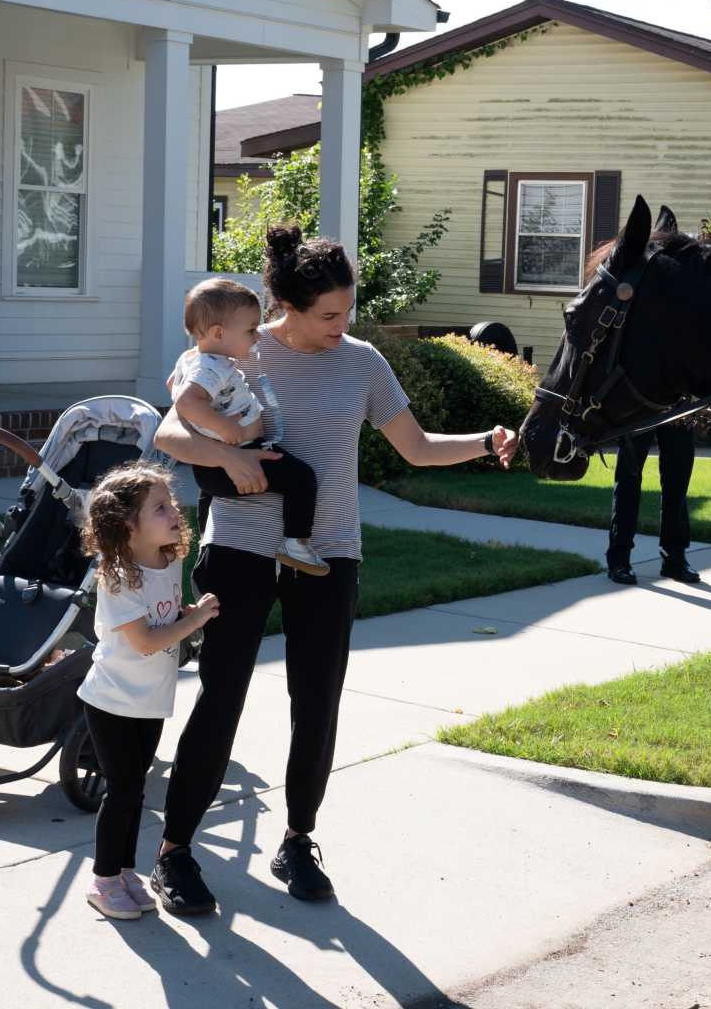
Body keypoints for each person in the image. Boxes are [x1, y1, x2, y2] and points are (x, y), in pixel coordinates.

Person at [149, 225, 519, 916]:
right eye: (327, 316)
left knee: (315, 702)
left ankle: (297, 839)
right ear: (285, 305)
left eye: (346, 312)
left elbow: (414, 447)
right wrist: (227, 455)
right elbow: (171, 431)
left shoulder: (362, 363)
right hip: (239, 546)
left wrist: (487, 442)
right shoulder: (236, 349)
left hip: (331, 552)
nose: (340, 326)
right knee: (221, 695)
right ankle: (175, 851)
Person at [74, 462, 220, 921]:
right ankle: (102, 880)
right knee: (122, 789)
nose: (174, 512)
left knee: (136, 792)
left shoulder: (169, 559)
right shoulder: (118, 577)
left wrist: (187, 611)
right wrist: (194, 621)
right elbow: (146, 641)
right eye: (159, 508)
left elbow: (168, 611)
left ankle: (125, 872)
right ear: (127, 526)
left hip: (150, 699)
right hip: (113, 699)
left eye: (171, 503)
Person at [169, 278, 327, 576]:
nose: (256, 338)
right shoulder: (210, 368)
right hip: (236, 454)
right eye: (250, 330)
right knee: (302, 479)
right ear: (218, 333)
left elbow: (172, 387)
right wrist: (223, 426)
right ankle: (296, 544)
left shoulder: (191, 360)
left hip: (223, 462)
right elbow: (187, 403)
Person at [605, 423, 699, 585]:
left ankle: (674, 559)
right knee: (628, 481)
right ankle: (619, 559)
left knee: (678, 481)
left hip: (680, 404)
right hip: (641, 405)